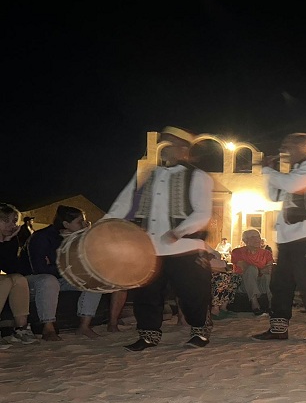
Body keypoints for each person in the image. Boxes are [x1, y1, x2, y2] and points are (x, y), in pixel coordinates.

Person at [104, 126, 214, 350]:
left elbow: (203, 212)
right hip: (150, 248)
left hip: (185, 247)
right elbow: (123, 204)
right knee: (147, 294)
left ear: (183, 148)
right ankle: (148, 335)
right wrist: (102, 226)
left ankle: (200, 330)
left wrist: (179, 231)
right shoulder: (150, 175)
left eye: (169, 142)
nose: (164, 146)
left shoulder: (198, 176)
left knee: (192, 294)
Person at [253, 133, 306, 341]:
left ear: (304, 148)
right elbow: (274, 195)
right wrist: (268, 173)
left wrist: (269, 170)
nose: (285, 150)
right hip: (288, 235)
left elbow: (290, 185)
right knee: (281, 282)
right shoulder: (293, 172)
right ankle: (279, 327)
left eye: (289, 146)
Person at [26, 205, 104, 340]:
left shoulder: (77, 237)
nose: (84, 225)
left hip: (61, 278)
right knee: (49, 280)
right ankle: (48, 327)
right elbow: (39, 269)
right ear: (66, 224)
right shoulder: (42, 237)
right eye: (80, 222)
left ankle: (84, 326)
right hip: (34, 280)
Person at [0, 204, 37, 344]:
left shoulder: (9, 240)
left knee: (18, 279)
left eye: (15, 221)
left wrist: (8, 242)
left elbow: (12, 269)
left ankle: (21, 328)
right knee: (5, 281)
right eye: (6, 221)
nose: (12, 225)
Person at [231, 229, 274, 316]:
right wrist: (261, 270)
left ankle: (272, 304)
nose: (257, 239)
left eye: (258, 237)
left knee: (268, 275)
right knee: (251, 269)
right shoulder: (237, 252)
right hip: (243, 284)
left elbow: (270, 268)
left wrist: (265, 271)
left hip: (260, 284)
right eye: (253, 237)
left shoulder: (267, 253)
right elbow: (245, 267)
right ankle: (254, 303)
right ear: (245, 240)